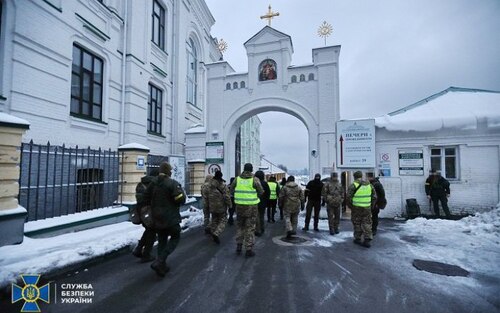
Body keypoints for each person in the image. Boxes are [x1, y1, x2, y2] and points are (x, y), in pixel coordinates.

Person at [143, 162, 186, 277]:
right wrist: (181, 195)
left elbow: (145, 198)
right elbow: (179, 199)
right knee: (175, 237)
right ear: (168, 172)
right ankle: (160, 260)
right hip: (171, 217)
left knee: (162, 240)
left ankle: (161, 266)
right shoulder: (172, 183)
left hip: (157, 218)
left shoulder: (152, 183)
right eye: (170, 170)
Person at [230, 163, 264, 257]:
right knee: (250, 228)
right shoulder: (255, 179)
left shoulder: (237, 179)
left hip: (239, 207)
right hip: (251, 207)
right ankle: (248, 249)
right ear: (251, 170)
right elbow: (261, 191)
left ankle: (239, 246)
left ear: (244, 169)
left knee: (240, 226)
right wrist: (254, 196)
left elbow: (231, 190)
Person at [132, 168, 159, 262]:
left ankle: (138, 249)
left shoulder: (140, 184)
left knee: (148, 230)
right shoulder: (154, 184)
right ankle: (146, 254)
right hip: (150, 211)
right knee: (152, 231)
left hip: (141, 211)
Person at [347, 171, 376, 248]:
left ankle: (358, 238)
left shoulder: (353, 185)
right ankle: (367, 240)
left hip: (356, 208)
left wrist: (351, 207)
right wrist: (371, 206)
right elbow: (374, 197)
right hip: (367, 207)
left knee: (357, 222)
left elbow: (348, 198)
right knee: (367, 222)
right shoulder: (369, 185)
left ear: (355, 177)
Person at [204, 171, 232, 244]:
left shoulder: (209, 186)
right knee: (223, 220)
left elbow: (206, 197)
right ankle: (216, 233)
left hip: (212, 207)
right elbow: (227, 197)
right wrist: (230, 205)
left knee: (214, 220)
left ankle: (213, 233)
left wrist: (207, 205)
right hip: (221, 207)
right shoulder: (223, 186)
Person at [254, 170, 270, 236]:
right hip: (263, 203)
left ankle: (257, 229)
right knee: (261, 216)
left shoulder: (254, 183)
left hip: (254, 202)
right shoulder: (265, 183)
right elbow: (268, 193)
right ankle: (262, 228)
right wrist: (266, 201)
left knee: (255, 216)